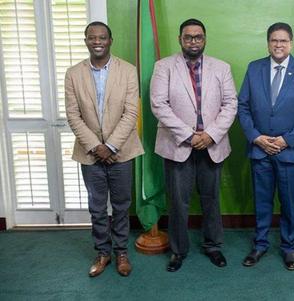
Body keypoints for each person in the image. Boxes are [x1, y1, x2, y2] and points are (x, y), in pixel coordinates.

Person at [150, 18, 237, 272]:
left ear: (205, 39)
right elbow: (159, 105)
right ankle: (178, 251)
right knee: (178, 201)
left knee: (211, 199)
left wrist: (210, 134)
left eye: (198, 37)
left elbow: (231, 104)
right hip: (177, 145)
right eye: (188, 37)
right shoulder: (163, 67)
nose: (193, 41)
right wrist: (189, 135)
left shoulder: (221, 68)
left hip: (213, 144)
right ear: (180, 40)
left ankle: (213, 246)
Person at [238, 22, 294, 271]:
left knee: (288, 203)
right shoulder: (254, 69)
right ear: (268, 43)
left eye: (283, 40)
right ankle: (260, 244)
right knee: (262, 201)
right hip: (260, 149)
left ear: (291, 43)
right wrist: (256, 137)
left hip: (289, 150)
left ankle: (288, 247)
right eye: (274, 40)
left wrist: (287, 139)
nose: (278, 45)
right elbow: (242, 107)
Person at [65, 22, 144, 277]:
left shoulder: (128, 71)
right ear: (86, 41)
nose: (97, 41)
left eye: (102, 37)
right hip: (89, 154)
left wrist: (110, 146)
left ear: (111, 40)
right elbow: (73, 115)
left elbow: (131, 112)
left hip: (121, 151)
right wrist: (96, 147)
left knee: (121, 206)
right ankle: (103, 253)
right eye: (92, 37)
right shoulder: (73, 73)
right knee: (97, 207)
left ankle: (121, 252)